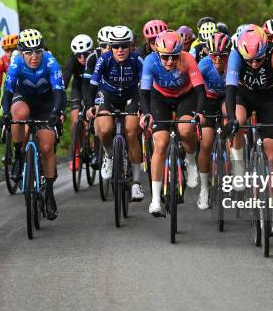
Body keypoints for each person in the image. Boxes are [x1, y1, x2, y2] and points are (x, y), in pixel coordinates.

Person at [225, 27, 273, 236]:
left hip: (268, 100)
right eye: (250, 61)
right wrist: (231, 118)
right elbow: (230, 88)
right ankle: (238, 167)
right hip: (243, 97)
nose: (254, 64)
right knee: (238, 121)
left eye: (258, 60)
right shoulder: (237, 54)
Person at [140, 30, 206, 217]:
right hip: (159, 97)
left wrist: (200, 112)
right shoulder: (150, 62)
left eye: (174, 57)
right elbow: (144, 93)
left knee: (186, 130)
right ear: (158, 53)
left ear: (180, 53)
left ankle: (191, 161)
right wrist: (146, 114)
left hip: (186, 95)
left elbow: (200, 90)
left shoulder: (187, 60)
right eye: (165, 57)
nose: (169, 61)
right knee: (160, 144)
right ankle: (155, 199)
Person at [2, 29, 65, 220]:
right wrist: (5, 113)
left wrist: (56, 113)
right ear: (21, 52)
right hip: (24, 98)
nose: (34, 56)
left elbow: (59, 93)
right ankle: (19, 155)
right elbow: (8, 92)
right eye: (29, 53)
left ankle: (49, 194)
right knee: (18, 115)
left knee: (47, 147)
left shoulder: (51, 62)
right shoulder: (16, 63)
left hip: (46, 102)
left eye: (38, 51)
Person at [85, 26, 145, 201]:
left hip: (131, 95)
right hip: (108, 95)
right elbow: (92, 86)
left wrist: (143, 107)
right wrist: (90, 105)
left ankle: (135, 182)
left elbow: (145, 87)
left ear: (131, 46)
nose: (120, 50)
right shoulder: (103, 60)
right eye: (116, 46)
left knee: (132, 132)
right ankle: (109, 156)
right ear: (110, 47)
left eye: (124, 46)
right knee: (104, 130)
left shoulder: (137, 60)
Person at [196, 32, 230, 210]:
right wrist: (198, 111)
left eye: (223, 55)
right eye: (214, 55)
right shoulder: (203, 65)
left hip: (227, 99)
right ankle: (204, 189)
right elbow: (196, 90)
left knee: (230, 116)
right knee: (206, 144)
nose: (218, 59)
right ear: (209, 54)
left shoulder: (233, 64)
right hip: (208, 101)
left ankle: (232, 160)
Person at [64, 34, 94, 170]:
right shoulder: (72, 61)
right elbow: (65, 78)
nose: (82, 58)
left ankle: (94, 144)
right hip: (78, 88)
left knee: (93, 119)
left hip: (93, 88)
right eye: (78, 55)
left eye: (85, 54)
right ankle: (75, 154)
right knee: (75, 121)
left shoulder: (96, 58)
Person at [0, 34, 18, 112]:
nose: (10, 53)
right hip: (12, 88)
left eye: (13, 49)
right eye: (6, 50)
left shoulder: (26, 58)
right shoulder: (1, 62)